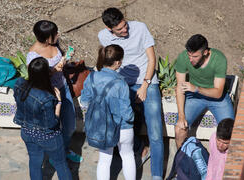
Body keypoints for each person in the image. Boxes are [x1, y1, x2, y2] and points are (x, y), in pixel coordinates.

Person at [98, 7, 163, 179]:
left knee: (155, 130)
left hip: (147, 81)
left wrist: (145, 85)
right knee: (120, 126)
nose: (125, 30)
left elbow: (152, 59)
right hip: (122, 85)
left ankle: (156, 175)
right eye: (120, 29)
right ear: (109, 29)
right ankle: (139, 148)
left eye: (125, 25)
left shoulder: (140, 28)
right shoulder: (103, 36)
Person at [26, 20, 83, 163]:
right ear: (46, 38)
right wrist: (52, 71)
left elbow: (60, 63)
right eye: (55, 34)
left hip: (63, 88)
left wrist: (66, 59)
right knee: (53, 127)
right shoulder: (33, 56)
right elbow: (36, 78)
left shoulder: (53, 44)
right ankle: (57, 154)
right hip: (48, 94)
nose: (58, 35)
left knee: (70, 125)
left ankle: (63, 149)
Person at [81, 44, 136, 180]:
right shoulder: (121, 82)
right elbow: (126, 112)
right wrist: (133, 117)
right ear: (117, 62)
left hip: (101, 127)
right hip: (123, 127)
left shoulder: (91, 77)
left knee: (104, 160)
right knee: (128, 156)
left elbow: (84, 101)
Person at [13, 57, 72, 180]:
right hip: (49, 137)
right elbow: (52, 123)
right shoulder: (47, 98)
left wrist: (52, 71)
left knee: (34, 163)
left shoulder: (19, 84)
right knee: (61, 164)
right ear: (46, 75)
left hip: (27, 133)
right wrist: (59, 102)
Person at [174, 34, 235, 149]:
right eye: (189, 55)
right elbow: (180, 88)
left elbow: (218, 93)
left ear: (205, 52)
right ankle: (182, 162)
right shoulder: (183, 57)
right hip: (195, 97)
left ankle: (224, 164)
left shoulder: (219, 59)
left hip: (218, 99)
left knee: (229, 134)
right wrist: (181, 117)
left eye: (195, 56)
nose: (190, 59)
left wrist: (196, 88)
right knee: (179, 128)